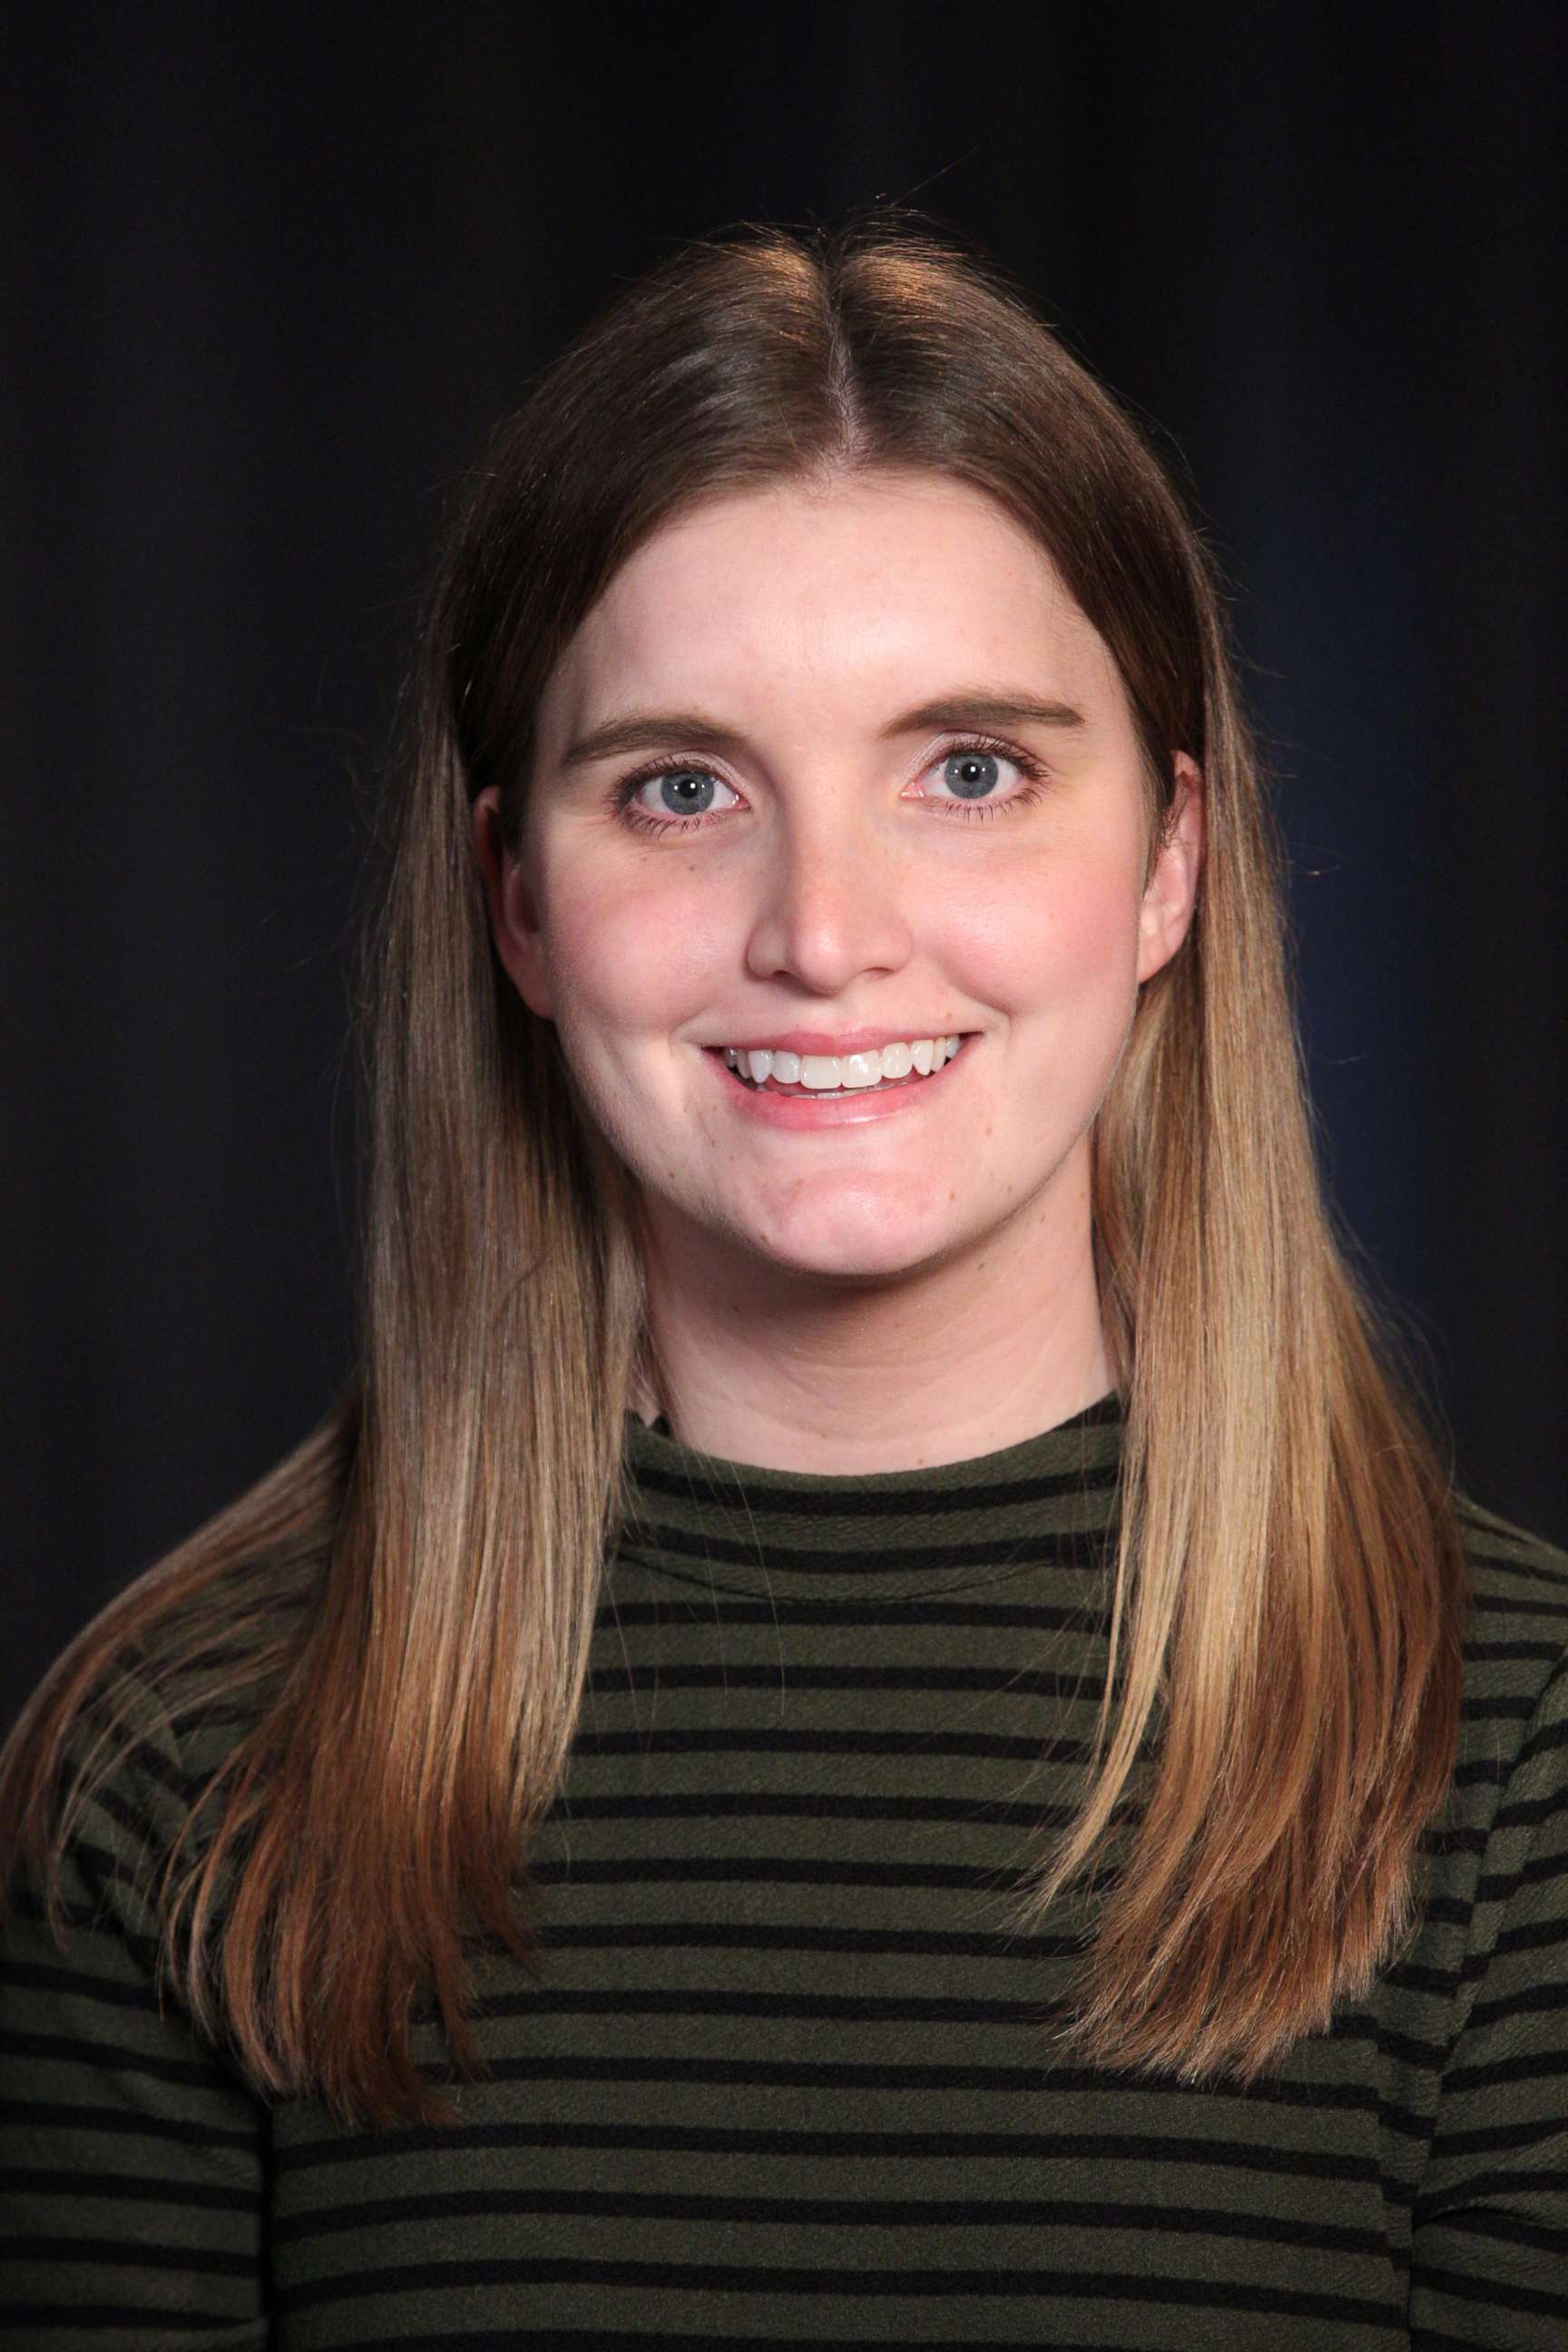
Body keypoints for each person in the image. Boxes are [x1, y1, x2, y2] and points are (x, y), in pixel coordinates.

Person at [2, 212, 1564, 2349]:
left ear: (1173, 862)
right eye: (677, 787)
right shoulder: (173, 1776)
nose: (823, 933)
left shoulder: (1519, 1762)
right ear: (517, 903)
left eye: (973, 772)